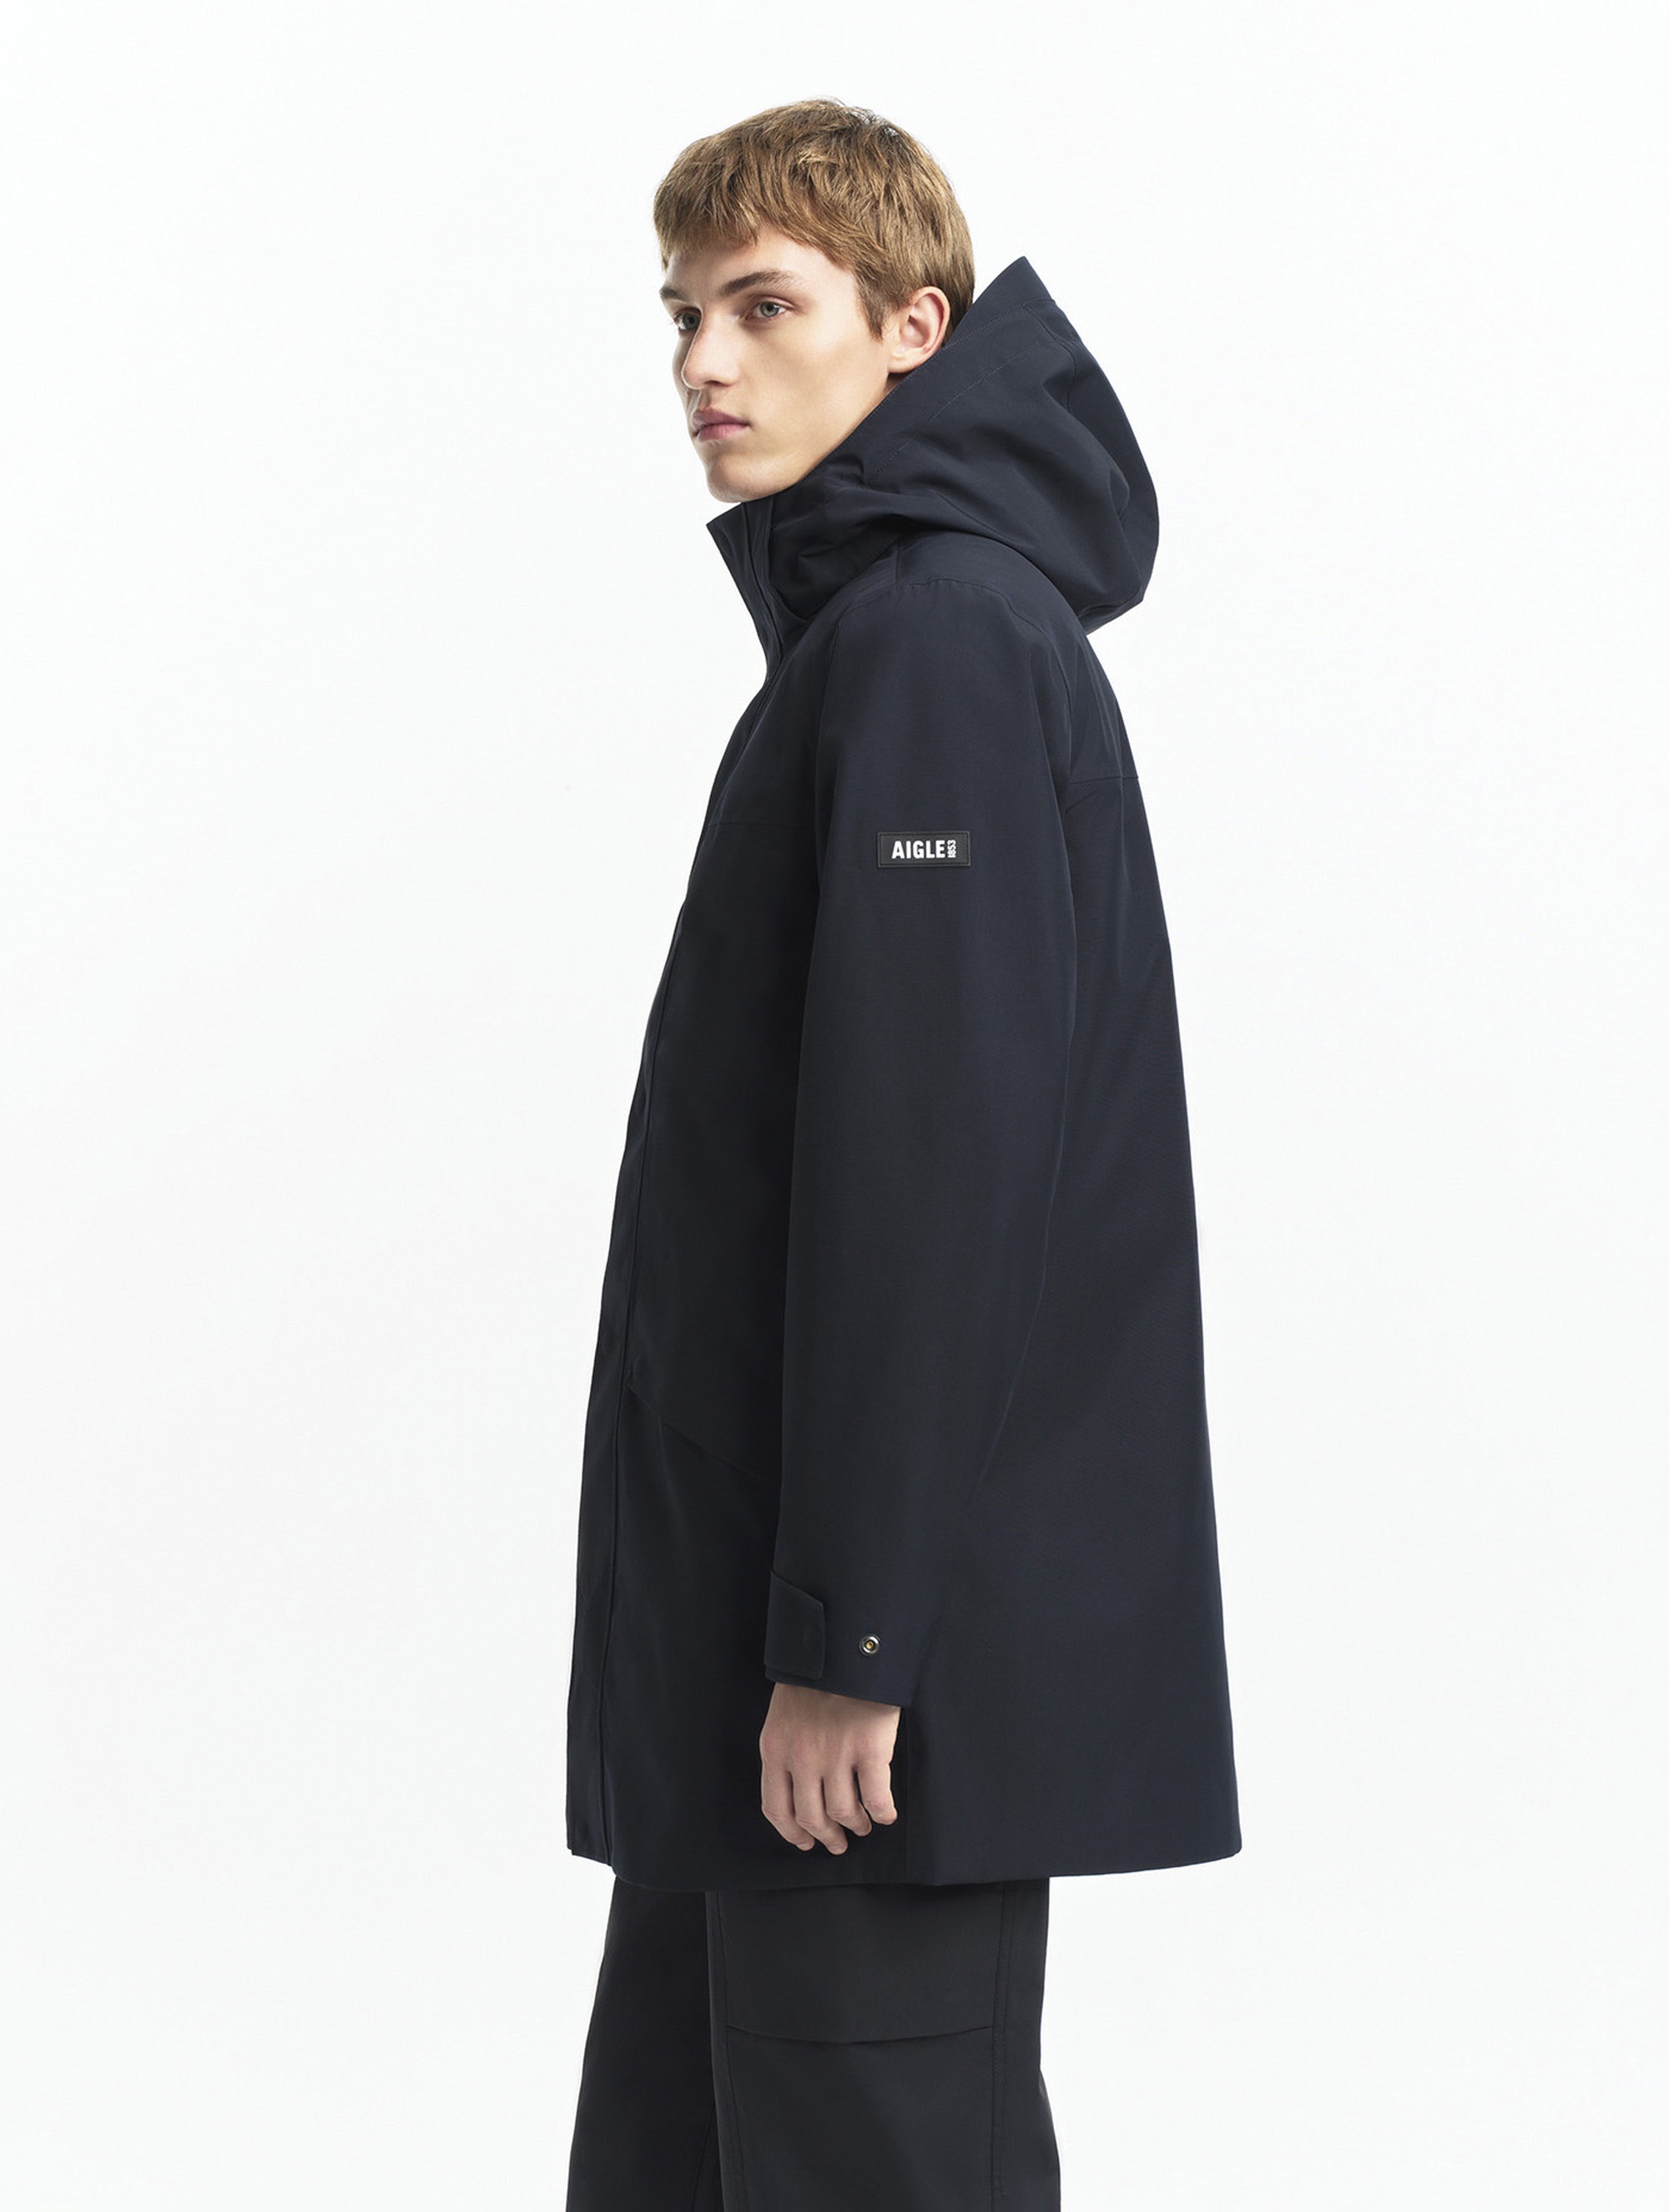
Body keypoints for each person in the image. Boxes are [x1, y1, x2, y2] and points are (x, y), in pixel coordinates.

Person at [562, 98, 1240, 2210]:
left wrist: (847, 1646)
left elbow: (926, 1188)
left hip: (854, 1695)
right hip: (761, 1667)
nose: (704, 362)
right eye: (683, 315)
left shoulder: (938, 642)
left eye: (765, 308)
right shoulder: (872, 637)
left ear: (912, 329)